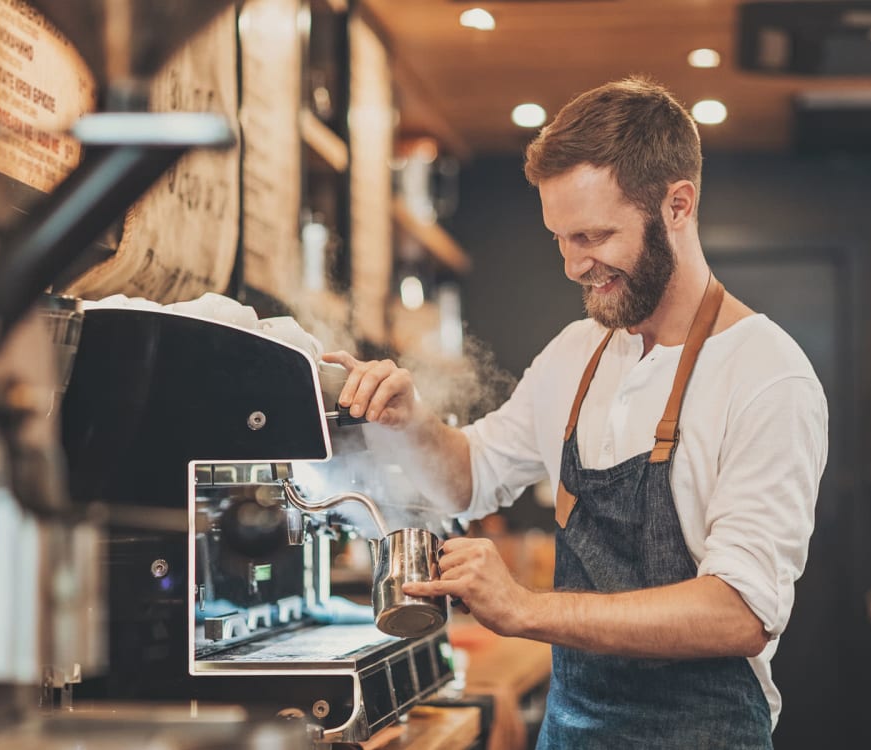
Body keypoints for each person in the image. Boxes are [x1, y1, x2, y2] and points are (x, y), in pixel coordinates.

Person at [321, 76, 827, 748]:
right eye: (560, 238)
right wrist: (410, 422)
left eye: (593, 236)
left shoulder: (767, 375)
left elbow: (740, 615)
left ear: (678, 205)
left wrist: (528, 610)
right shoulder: (576, 354)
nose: (572, 265)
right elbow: (468, 478)